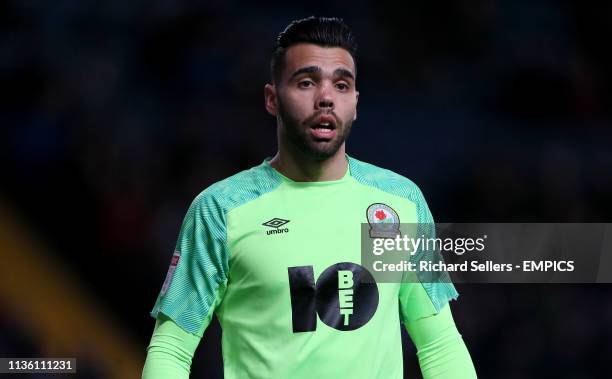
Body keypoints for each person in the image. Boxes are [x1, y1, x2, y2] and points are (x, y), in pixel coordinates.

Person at [142, 16, 477, 379]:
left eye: (342, 85)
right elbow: (172, 348)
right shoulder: (221, 210)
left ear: (356, 103)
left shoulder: (400, 202)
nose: (326, 98)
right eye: (306, 82)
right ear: (272, 99)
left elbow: (439, 344)